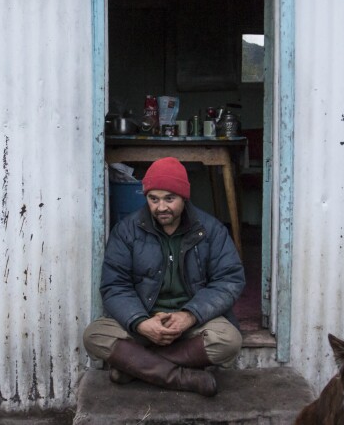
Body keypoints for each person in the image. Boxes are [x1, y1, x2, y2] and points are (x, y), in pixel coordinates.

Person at [83, 156, 245, 397]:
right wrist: (140, 322)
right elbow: (115, 285)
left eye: (170, 198)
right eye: (153, 199)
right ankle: (180, 377)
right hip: (143, 319)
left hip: (190, 322)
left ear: (184, 197)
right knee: (94, 335)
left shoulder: (210, 230)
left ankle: (133, 368)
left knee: (229, 339)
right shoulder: (127, 230)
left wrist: (189, 316)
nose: (161, 207)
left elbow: (229, 280)